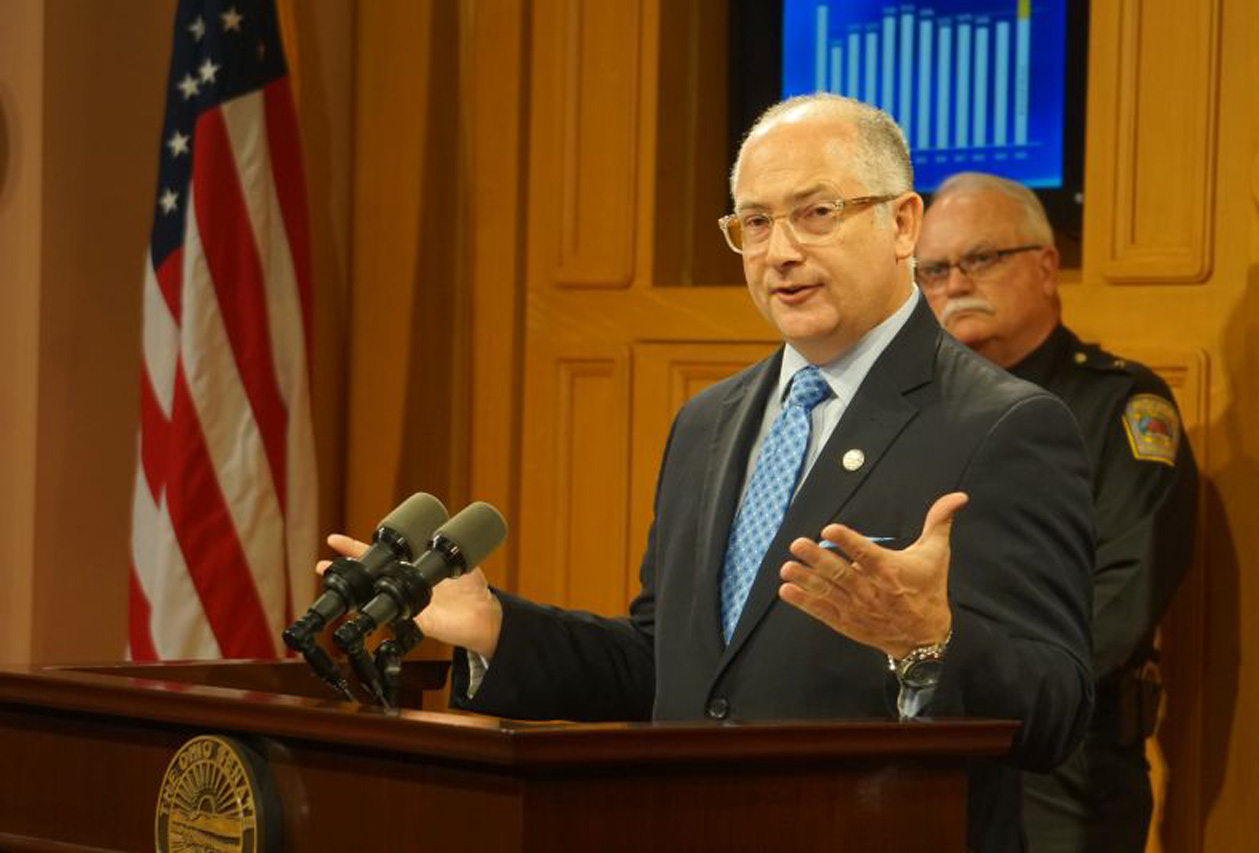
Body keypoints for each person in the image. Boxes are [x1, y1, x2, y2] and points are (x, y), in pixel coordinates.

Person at [325, 96, 1095, 852]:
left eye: (816, 212)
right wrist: (499, 626)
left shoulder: (1002, 425)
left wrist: (931, 639)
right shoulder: (708, 422)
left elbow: (1057, 709)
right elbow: (669, 668)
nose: (780, 250)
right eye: (755, 222)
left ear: (902, 224)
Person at [915, 172, 1198, 852]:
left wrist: (979, 678)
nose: (954, 284)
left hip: (1061, 758)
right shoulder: (917, 412)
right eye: (932, 269)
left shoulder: (1119, 406)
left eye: (980, 259)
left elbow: (1123, 598)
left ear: (1045, 267)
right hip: (928, 750)